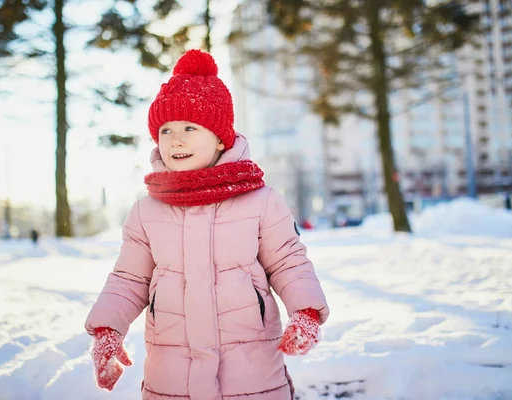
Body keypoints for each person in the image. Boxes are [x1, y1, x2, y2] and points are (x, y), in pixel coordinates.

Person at [85, 49, 329, 399]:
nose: (176, 139)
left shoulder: (260, 201)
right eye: (165, 130)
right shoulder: (146, 211)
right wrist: (107, 328)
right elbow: (129, 278)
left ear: (219, 138)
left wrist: (306, 310)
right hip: (172, 378)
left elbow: (289, 262)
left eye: (189, 127)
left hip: (251, 375)